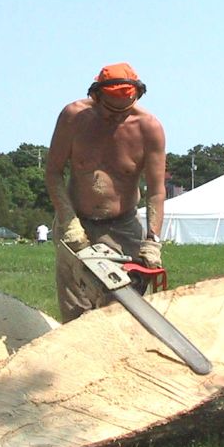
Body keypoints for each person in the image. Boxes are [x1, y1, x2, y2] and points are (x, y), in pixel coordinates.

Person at [45, 61, 166, 322]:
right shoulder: (73, 117)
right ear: (96, 96)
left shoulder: (149, 128)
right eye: (110, 111)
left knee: (123, 313)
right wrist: (69, 221)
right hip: (76, 223)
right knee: (77, 311)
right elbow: (53, 172)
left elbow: (156, 191)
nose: (115, 118)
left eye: (123, 111)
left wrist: (152, 240)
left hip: (122, 226)